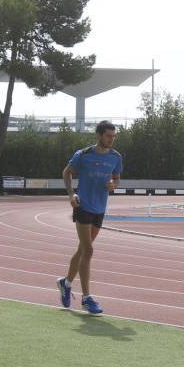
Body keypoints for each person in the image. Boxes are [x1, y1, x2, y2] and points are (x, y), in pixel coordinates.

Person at [57, 120, 122, 315]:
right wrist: (70, 194)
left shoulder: (116, 157)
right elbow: (67, 173)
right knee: (89, 250)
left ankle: (66, 283)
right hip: (83, 205)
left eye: (113, 136)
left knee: (82, 250)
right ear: (99, 135)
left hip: (100, 208)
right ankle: (86, 298)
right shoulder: (83, 155)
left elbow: (116, 178)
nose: (112, 139)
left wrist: (113, 185)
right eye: (109, 136)